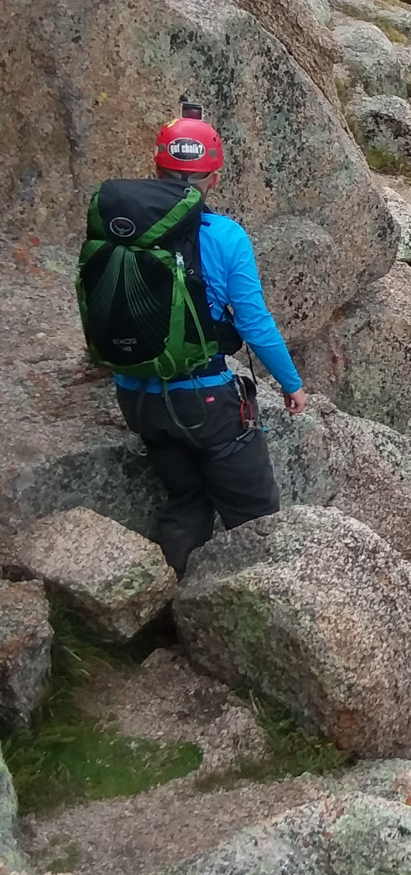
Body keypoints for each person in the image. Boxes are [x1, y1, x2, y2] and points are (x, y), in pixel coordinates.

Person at [76, 107, 308, 575]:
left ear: (156, 168)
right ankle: (259, 605)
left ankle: (171, 596)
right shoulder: (223, 235)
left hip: (136, 398)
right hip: (204, 401)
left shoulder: (118, 228)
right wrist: (291, 383)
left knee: (186, 500)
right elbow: (254, 323)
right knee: (254, 513)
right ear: (214, 179)